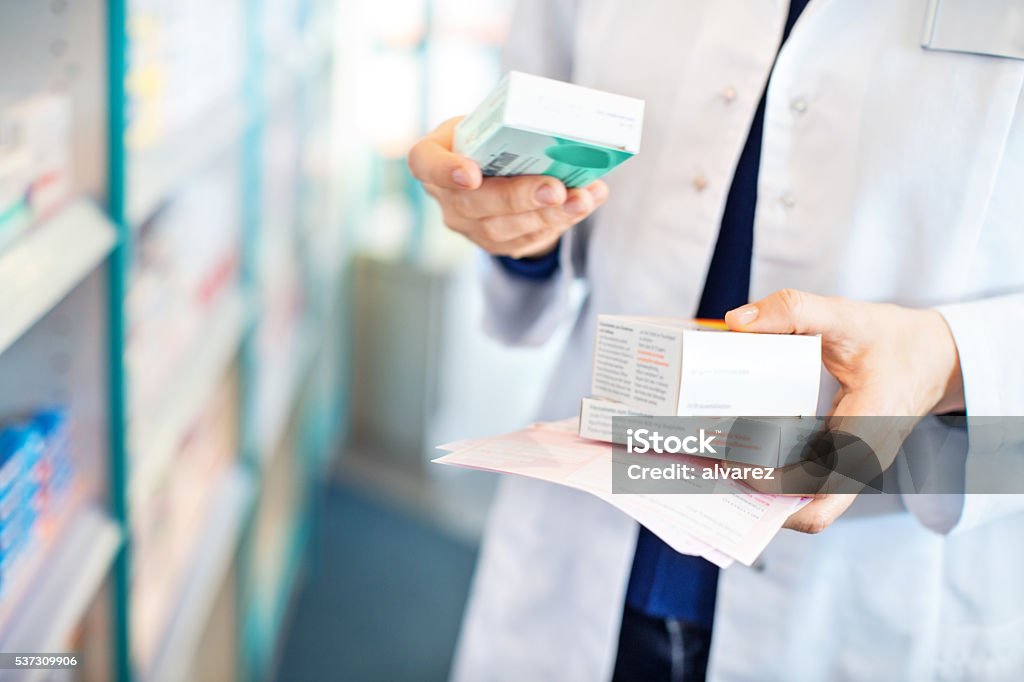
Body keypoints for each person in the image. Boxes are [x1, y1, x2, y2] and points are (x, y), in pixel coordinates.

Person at [407, 1, 1024, 680]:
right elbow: (539, 169)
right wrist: (512, 225)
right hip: (590, 545)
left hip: (879, 578)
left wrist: (954, 362)